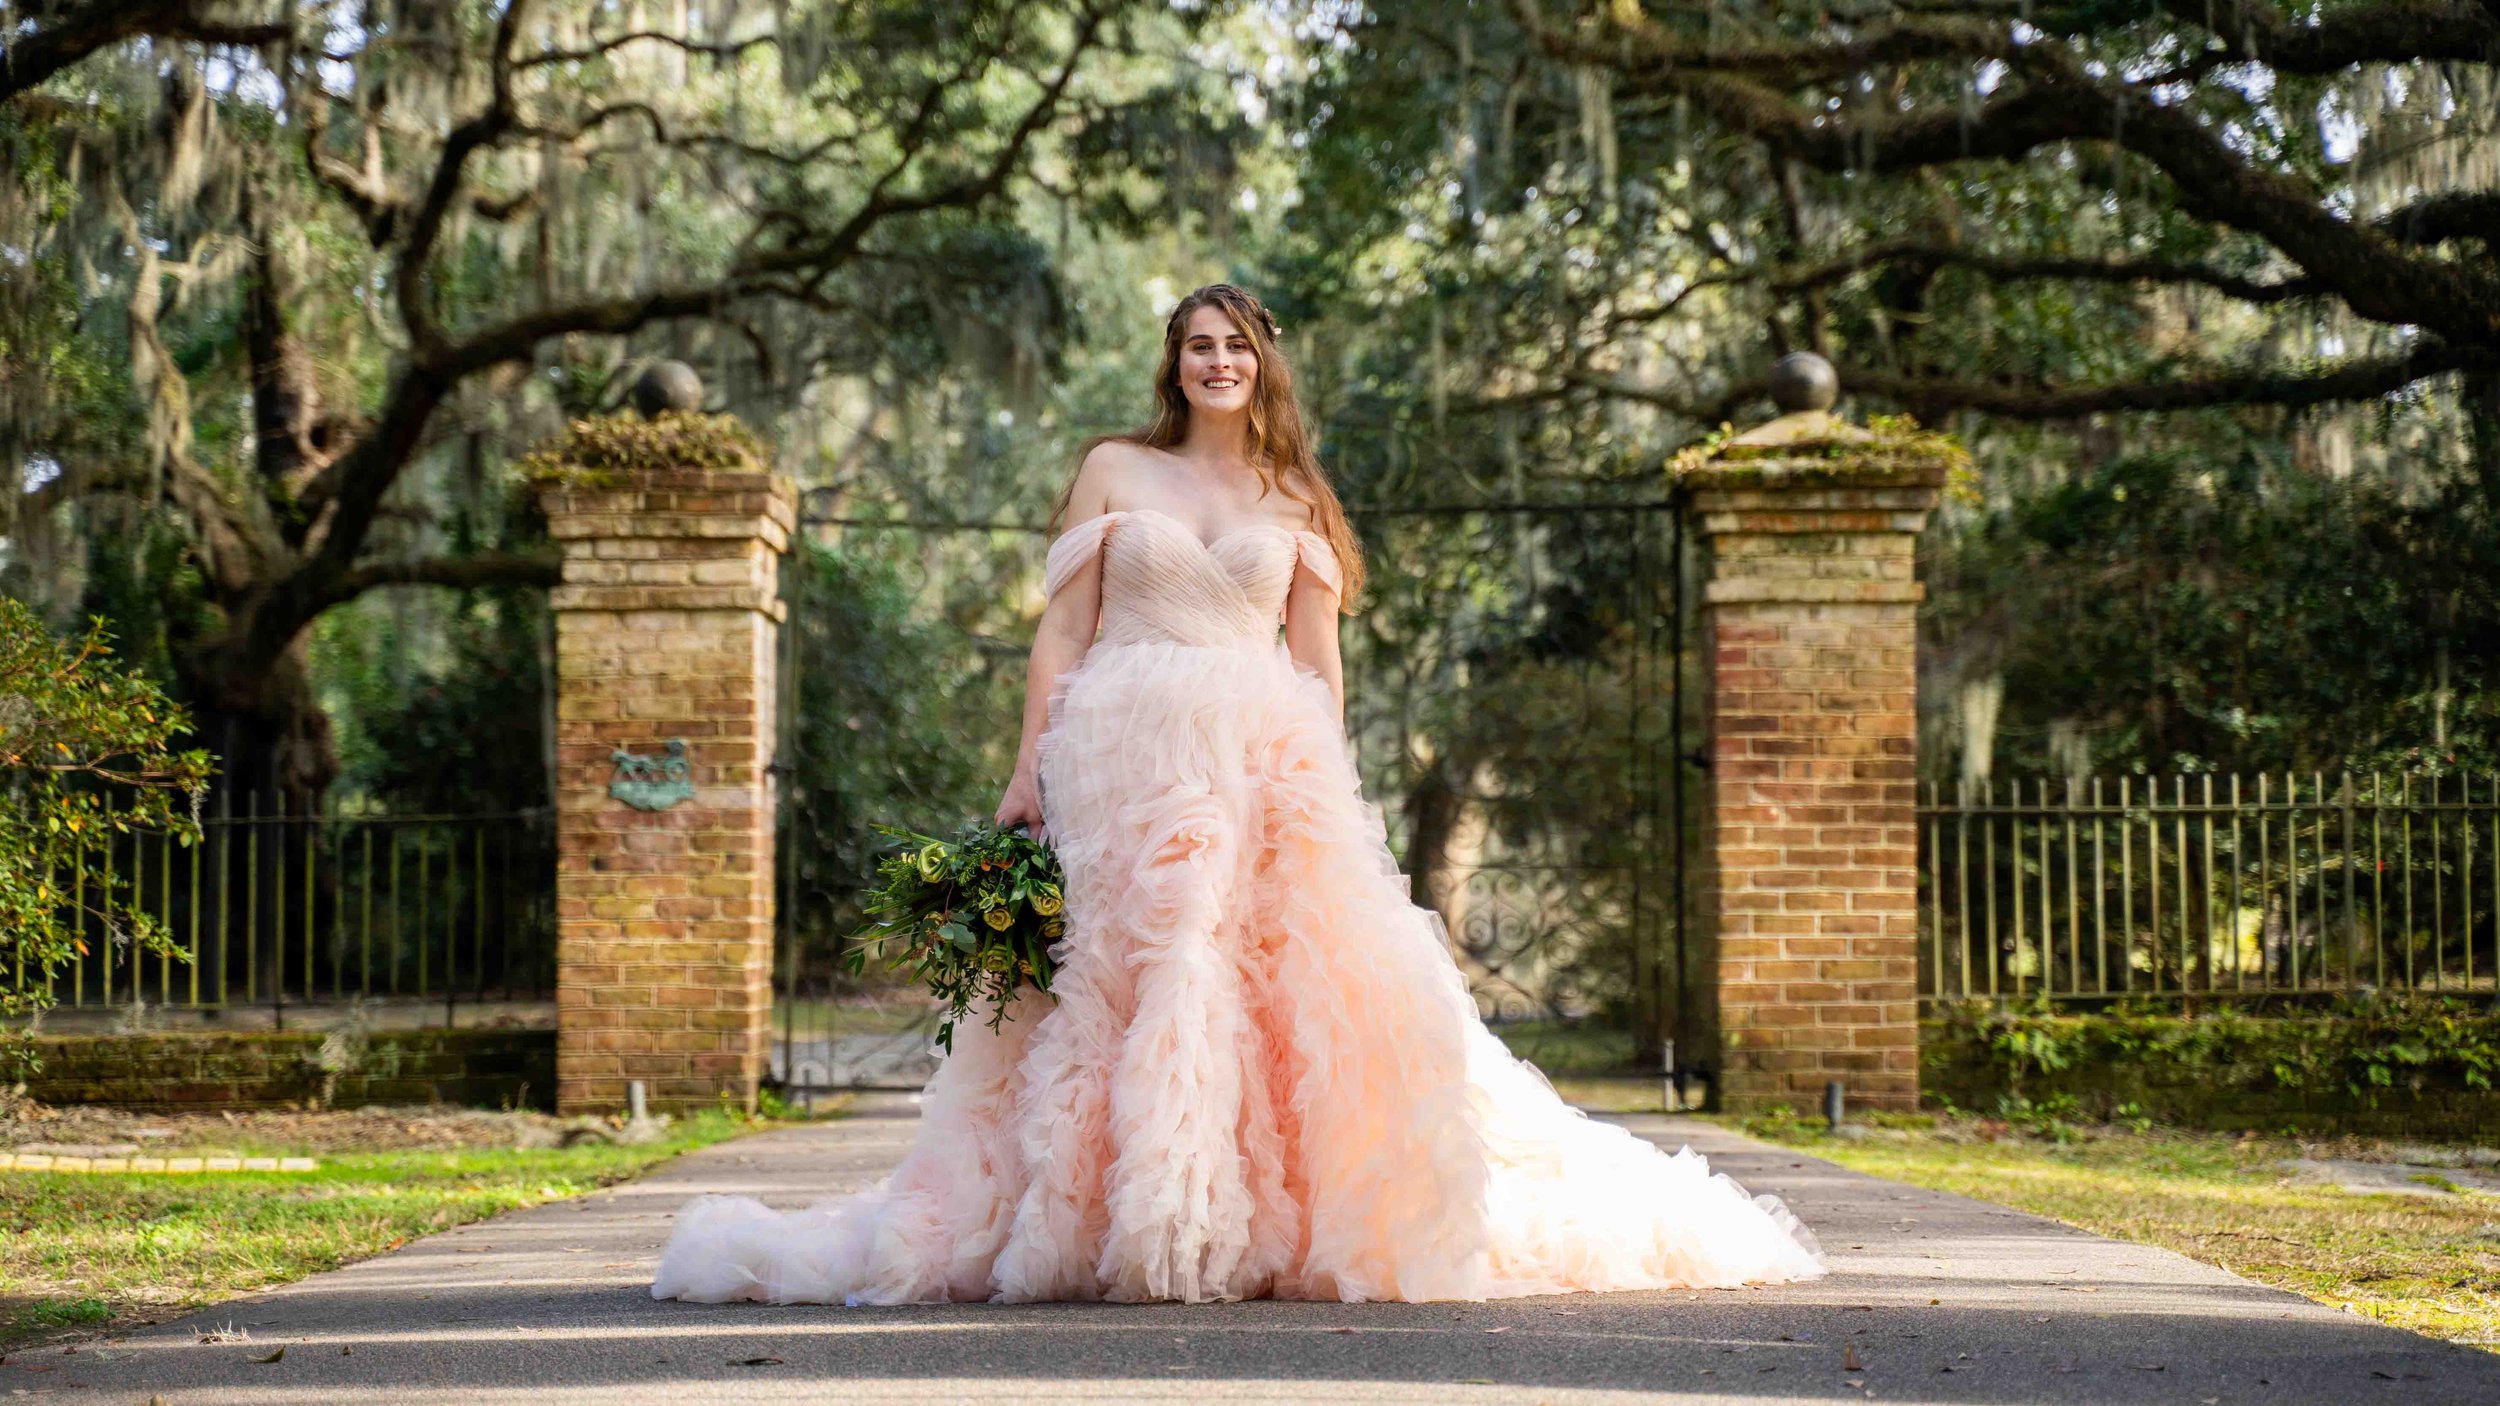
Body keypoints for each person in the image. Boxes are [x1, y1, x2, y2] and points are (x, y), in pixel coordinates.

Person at [650, 283, 1824, 1306]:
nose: (1218, 361)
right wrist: (1025, 767)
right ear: (1174, 363)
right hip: (1124, 752)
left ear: (1263, 364)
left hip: (1264, 755)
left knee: (1270, 978)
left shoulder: (1295, 492)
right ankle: (1127, 1211)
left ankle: (1265, 1216)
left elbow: (1317, 656)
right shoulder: (1114, 468)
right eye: (1199, 344)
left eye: (1237, 345)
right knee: (1138, 969)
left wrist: (1336, 779)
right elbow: (1060, 632)